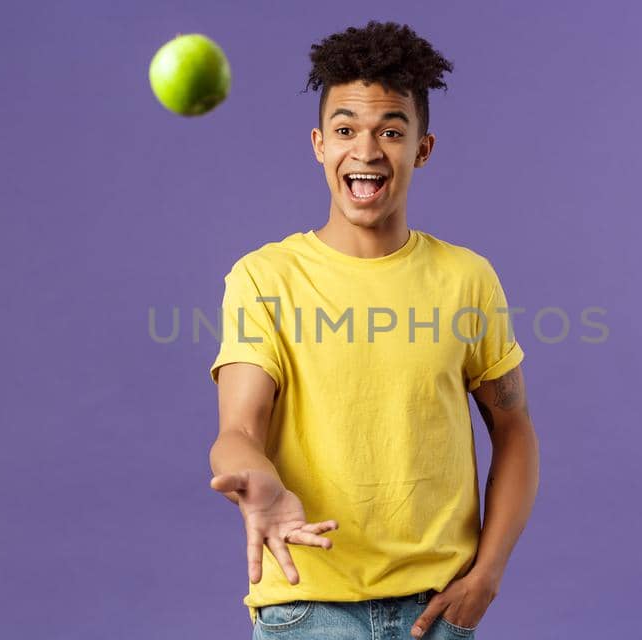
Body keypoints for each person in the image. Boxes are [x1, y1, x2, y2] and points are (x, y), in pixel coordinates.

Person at [207, 21, 540, 639]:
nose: (365, 150)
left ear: (423, 148)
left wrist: (487, 575)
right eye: (345, 130)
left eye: (390, 131)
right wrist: (257, 481)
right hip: (306, 612)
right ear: (318, 144)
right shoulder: (264, 278)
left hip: (434, 614)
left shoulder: (467, 278)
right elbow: (238, 430)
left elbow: (514, 430)